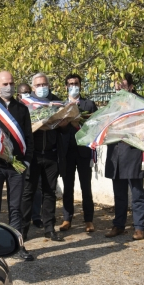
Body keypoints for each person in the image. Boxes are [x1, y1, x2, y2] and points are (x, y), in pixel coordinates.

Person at [0, 70, 35, 260]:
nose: (9, 87)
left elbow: (29, 137)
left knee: (15, 208)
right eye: (4, 84)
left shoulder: (22, 109)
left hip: (16, 165)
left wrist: (26, 160)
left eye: (11, 83)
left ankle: (17, 246)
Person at [21, 73, 67, 242]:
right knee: (28, 193)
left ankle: (49, 228)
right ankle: (23, 230)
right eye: (38, 85)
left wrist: (63, 123)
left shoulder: (57, 102)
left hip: (51, 154)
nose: (42, 87)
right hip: (32, 155)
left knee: (50, 193)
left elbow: (64, 130)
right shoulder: (25, 105)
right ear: (33, 88)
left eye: (44, 84)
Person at [104, 73, 144, 240]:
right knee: (119, 193)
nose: (119, 89)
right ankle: (119, 225)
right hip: (115, 154)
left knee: (137, 192)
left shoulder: (141, 103)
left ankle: (139, 227)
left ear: (130, 86)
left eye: (123, 86)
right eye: (117, 86)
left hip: (134, 153)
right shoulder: (112, 104)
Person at [58, 73, 98, 233]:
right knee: (67, 187)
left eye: (76, 83)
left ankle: (89, 220)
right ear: (66, 86)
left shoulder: (89, 104)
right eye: (70, 84)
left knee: (86, 187)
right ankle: (67, 218)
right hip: (67, 152)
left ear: (80, 85)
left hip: (83, 152)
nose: (73, 86)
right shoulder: (61, 106)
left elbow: (95, 125)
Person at [17, 82, 43, 228]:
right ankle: (21, 219)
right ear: (18, 95)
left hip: (36, 153)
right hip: (20, 155)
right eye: (24, 93)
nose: (27, 95)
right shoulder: (16, 110)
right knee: (23, 189)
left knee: (37, 188)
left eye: (28, 92)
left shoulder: (38, 108)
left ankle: (36, 216)